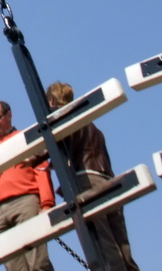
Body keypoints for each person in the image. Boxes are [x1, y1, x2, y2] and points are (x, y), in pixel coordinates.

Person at [46, 82, 140, 271]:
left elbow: (52, 150)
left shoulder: (65, 120)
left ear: (51, 100)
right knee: (120, 239)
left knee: (102, 239)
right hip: (108, 180)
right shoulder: (93, 126)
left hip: (86, 180)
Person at [0, 100, 55, 271]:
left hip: (25, 201)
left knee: (37, 262)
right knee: (14, 267)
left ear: (9, 115)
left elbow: (41, 169)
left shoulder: (25, 137)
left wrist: (47, 204)